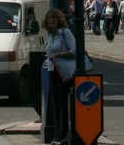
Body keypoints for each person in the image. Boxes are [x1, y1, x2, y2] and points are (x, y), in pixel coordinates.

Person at [42, 8, 79, 145]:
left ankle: (63, 135)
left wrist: (60, 55)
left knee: (63, 103)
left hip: (63, 71)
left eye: (54, 18)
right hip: (52, 70)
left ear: (59, 20)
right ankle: (57, 135)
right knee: (54, 104)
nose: (51, 20)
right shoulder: (49, 34)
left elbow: (75, 50)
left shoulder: (65, 33)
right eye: (49, 18)